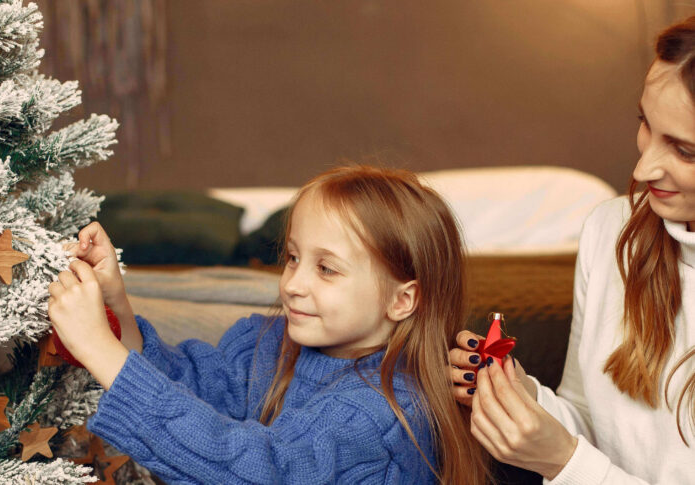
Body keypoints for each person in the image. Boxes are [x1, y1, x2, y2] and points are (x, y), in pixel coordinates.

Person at [48, 165, 490, 484]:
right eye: (293, 258)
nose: (292, 284)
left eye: (327, 269)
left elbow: (260, 470)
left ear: (402, 299)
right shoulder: (267, 342)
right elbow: (188, 385)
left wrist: (101, 354)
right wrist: (117, 307)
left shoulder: (383, 411)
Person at [449, 16, 695, 484]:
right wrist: (522, 397)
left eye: (685, 151)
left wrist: (564, 464)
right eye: (645, 123)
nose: (643, 169)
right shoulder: (610, 231)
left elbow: (579, 461)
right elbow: (591, 419)